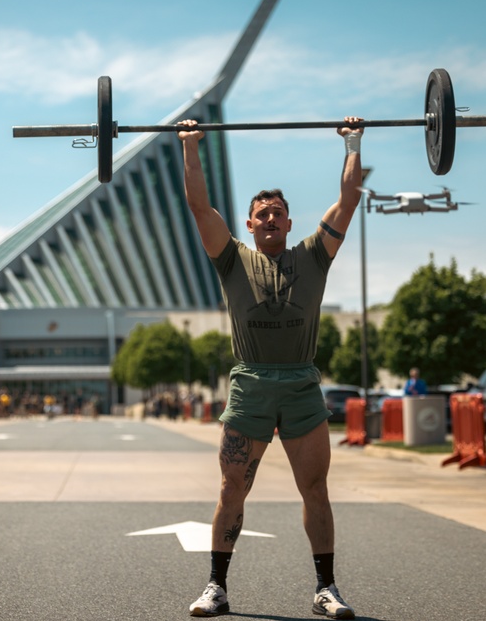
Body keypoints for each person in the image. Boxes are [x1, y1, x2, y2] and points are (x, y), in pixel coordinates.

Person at [178, 117, 365, 620]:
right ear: (249, 224)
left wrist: (352, 142)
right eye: (261, 214)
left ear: (288, 221)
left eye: (277, 214)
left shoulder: (314, 256)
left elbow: (348, 201)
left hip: (301, 384)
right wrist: (190, 146)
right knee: (231, 487)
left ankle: (326, 588)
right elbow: (198, 205)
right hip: (251, 384)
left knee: (315, 489)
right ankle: (216, 586)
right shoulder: (231, 259)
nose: (269, 220)